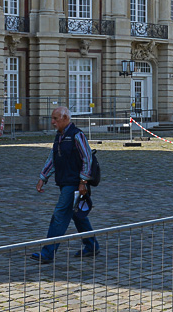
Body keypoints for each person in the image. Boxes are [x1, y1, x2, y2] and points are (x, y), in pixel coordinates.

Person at [31, 106, 99, 263]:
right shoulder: (59, 137)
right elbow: (53, 159)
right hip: (64, 181)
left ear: (65, 119)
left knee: (59, 215)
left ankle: (47, 253)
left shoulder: (77, 135)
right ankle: (91, 245)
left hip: (74, 184)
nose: (52, 122)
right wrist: (43, 177)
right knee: (77, 215)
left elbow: (87, 159)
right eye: (52, 119)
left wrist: (83, 181)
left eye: (55, 119)